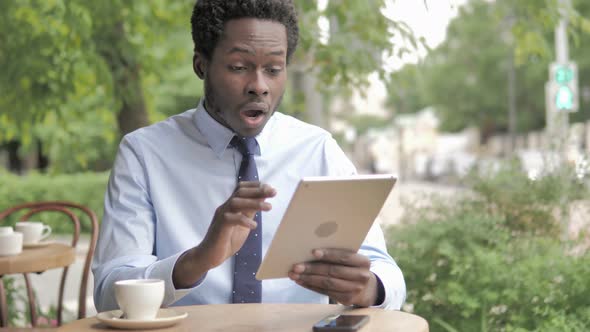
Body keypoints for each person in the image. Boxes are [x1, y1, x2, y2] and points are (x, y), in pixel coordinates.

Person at [92, 0, 406, 311]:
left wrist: (369, 288)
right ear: (201, 65)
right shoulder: (144, 155)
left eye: (273, 69)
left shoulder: (318, 150)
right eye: (239, 67)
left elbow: (387, 273)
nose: (259, 86)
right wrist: (196, 261)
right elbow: (109, 293)